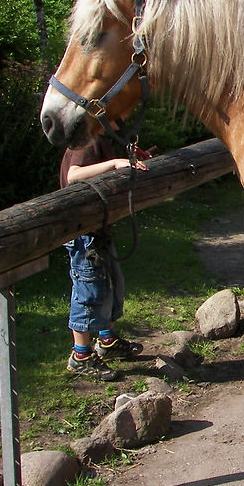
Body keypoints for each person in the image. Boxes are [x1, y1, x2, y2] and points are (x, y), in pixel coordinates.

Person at [60, 134, 147, 380]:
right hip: (83, 233)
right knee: (88, 293)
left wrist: (130, 161)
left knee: (110, 286)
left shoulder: (101, 138)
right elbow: (73, 175)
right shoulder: (86, 140)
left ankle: (107, 342)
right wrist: (114, 163)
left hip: (99, 229)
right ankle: (81, 356)